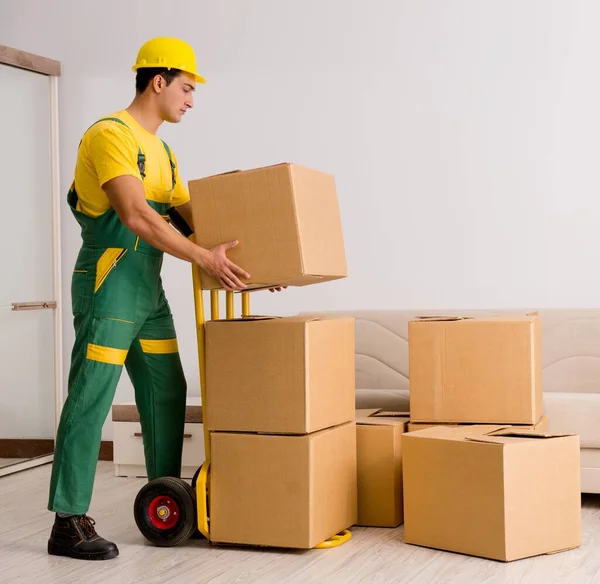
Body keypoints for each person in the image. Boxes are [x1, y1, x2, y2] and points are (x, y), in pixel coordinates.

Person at [47, 37, 280, 561]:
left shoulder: (165, 154)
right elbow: (137, 216)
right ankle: (68, 520)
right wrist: (203, 259)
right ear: (159, 81)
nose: (192, 100)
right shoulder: (111, 135)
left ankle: (165, 498)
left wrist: (262, 267)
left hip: (147, 292)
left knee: (167, 389)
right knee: (93, 393)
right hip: (108, 284)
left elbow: (195, 220)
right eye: (187, 88)